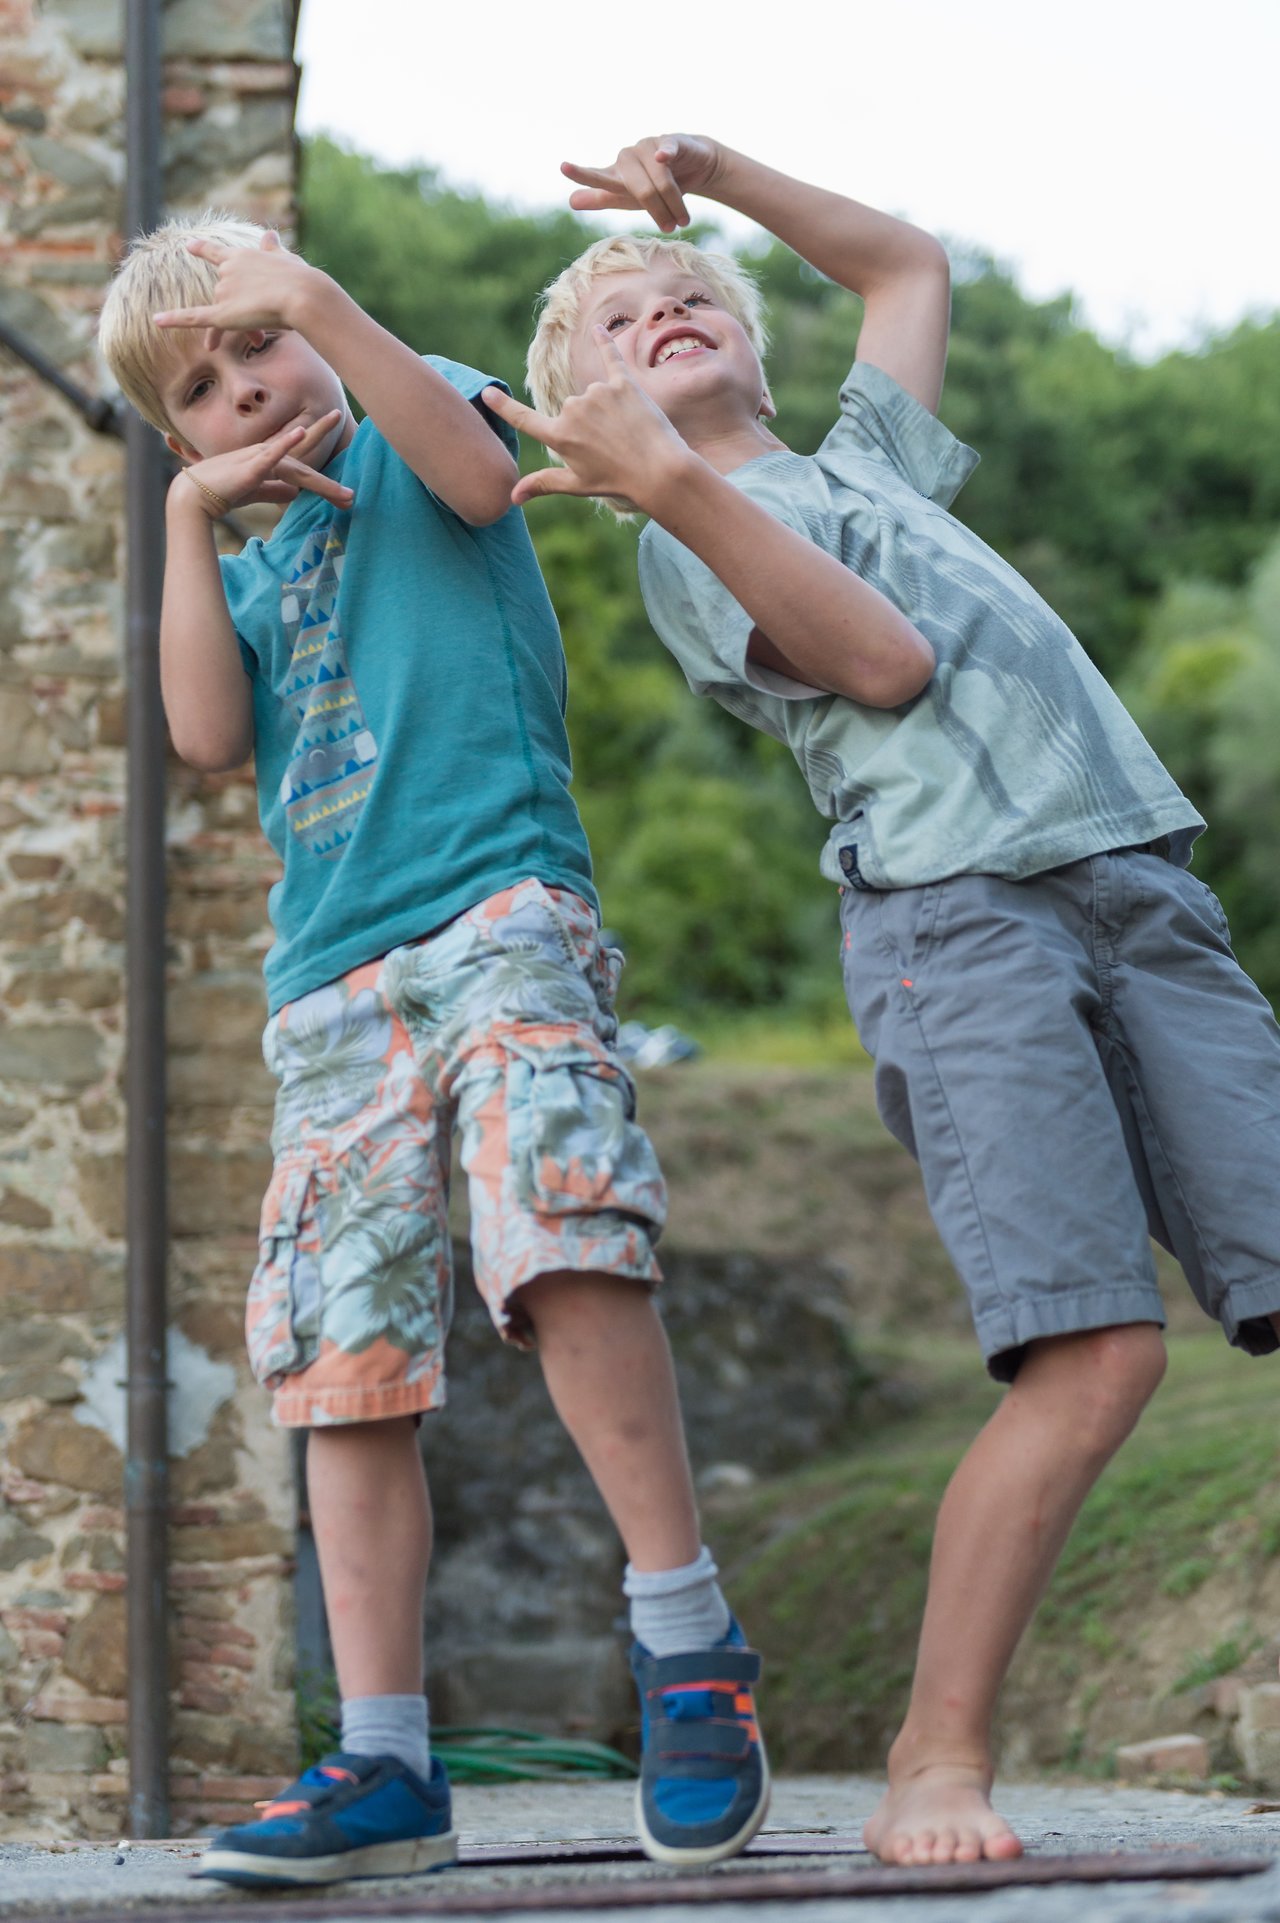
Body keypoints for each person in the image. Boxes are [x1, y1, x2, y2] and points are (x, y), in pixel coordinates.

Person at [486, 134, 1280, 1868]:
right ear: (585, 424)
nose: (667, 303)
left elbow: (908, 265)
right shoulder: (687, 547)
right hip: (963, 931)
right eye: (619, 323)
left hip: (1142, 887)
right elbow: (883, 663)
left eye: (688, 292)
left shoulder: (878, 467)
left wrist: (711, 173)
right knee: (1096, 1354)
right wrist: (662, 484)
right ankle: (935, 1755)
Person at [96, 213, 769, 1886]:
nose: (250, 386)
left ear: (321, 326)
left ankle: (689, 1649)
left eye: (262, 340)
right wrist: (184, 518)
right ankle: (385, 1759)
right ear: (183, 438)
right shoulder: (240, 562)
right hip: (330, 982)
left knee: (559, 1228)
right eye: (205, 386)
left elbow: (483, 485)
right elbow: (198, 736)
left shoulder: (420, 416)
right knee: (342, 1353)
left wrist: (324, 296)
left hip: (496, 908)